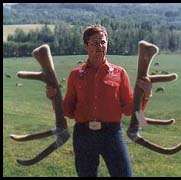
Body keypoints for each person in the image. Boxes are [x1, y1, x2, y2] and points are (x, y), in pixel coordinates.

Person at [46, 24, 152, 177]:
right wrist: (53, 98)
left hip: (112, 134)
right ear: (86, 46)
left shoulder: (120, 73)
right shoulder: (75, 75)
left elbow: (129, 110)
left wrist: (146, 95)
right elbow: (68, 111)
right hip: (83, 136)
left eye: (103, 42)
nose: (100, 46)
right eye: (95, 43)